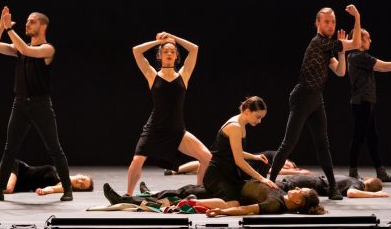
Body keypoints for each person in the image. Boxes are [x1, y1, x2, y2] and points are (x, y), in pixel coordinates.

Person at [269, 5, 362, 200]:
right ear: (318, 24)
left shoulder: (329, 46)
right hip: (303, 96)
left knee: (323, 144)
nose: (330, 25)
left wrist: (342, 51)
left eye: (333, 22)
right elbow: (356, 43)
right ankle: (267, 182)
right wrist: (357, 17)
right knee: (289, 143)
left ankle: (333, 188)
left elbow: (341, 72)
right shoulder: (319, 42)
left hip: (316, 99)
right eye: (326, 22)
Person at [0, 6, 73, 201]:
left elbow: (26, 49)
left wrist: (10, 30)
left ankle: (68, 189)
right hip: (20, 105)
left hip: (40, 105)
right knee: (10, 149)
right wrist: (1, 27)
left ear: (43, 26)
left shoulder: (48, 49)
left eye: (32, 21)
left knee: (54, 148)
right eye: (26, 21)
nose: (27, 24)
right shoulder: (20, 49)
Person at [123, 32, 211, 196]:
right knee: (136, 162)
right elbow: (136, 50)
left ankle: (199, 191)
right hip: (155, 128)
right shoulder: (152, 75)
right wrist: (159, 42)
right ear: (160, 55)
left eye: (172, 51)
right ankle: (128, 195)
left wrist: (173, 38)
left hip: (177, 130)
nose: (169, 54)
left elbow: (194, 49)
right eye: (165, 51)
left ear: (177, 56)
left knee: (207, 157)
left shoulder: (184, 75)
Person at [347, 28, 391, 182]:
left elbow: (381, 67)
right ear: (359, 40)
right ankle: (352, 172)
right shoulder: (357, 56)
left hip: (367, 101)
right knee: (359, 137)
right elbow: (382, 66)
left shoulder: (358, 56)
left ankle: (380, 172)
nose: (370, 40)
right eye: (367, 38)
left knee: (372, 137)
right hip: (361, 102)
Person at [202, 96, 279, 209]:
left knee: (262, 162)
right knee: (233, 203)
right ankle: (190, 203)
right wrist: (261, 178)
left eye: (261, 118)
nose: (259, 121)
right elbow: (238, 160)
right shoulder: (235, 126)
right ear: (247, 111)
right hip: (217, 174)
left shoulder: (241, 124)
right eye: (258, 117)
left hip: (228, 172)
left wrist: (255, 157)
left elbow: (235, 152)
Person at [103, 180, 325, 215]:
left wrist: (221, 212)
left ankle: (124, 200)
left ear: (297, 201)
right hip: (228, 186)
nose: (297, 189)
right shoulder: (283, 195)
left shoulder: (274, 204)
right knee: (185, 189)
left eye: (300, 192)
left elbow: (245, 210)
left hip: (226, 194)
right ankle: (149, 193)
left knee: (183, 194)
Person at [0, 159, 93, 195]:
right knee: (7, 188)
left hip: (18, 183)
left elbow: (51, 189)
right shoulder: (59, 170)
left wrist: (44, 191)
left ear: (78, 189)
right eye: (83, 179)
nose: (80, 181)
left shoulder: (64, 186)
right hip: (16, 167)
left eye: (82, 185)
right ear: (81, 175)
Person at [164, 150, 311, 176]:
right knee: (207, 161)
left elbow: (272, 171)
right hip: (242, 159)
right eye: (288, 165)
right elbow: (275, 169)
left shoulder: (271, 163)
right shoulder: (278, 156)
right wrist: (295, 171)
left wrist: (294, 171)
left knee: (208, 165)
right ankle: (175, 170)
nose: (286, 167)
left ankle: (175, 170)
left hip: (242, 164)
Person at [278, 174, 389, 198]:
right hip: (311, 184)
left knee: (276, 185)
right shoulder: (358, 184)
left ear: (367, 179)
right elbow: (351, 193)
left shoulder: (353, 179)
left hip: (308, 179)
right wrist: (375, 195)